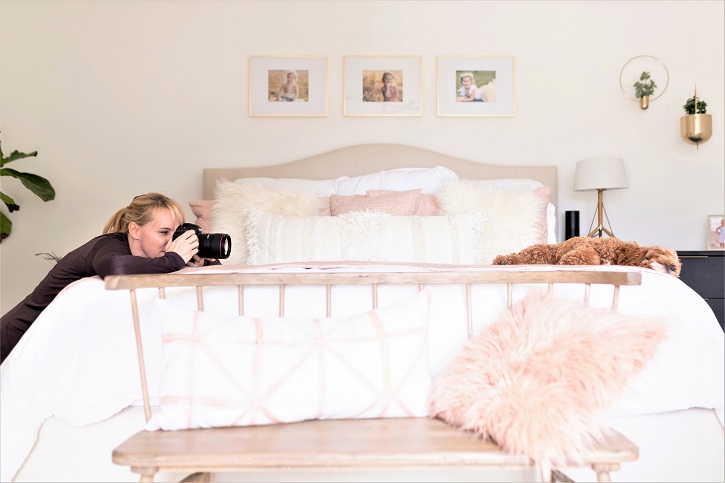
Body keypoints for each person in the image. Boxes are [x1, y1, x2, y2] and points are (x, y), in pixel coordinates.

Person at [0, 192, 212, 363]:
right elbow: (115, 267)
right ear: (135, 230)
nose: (171, 241)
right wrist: (174, 259)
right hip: (14, 337)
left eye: (176, 234)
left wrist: (201, 261)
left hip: (39, 343)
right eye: (164, 232)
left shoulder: (150, 258)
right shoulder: (109, 245)